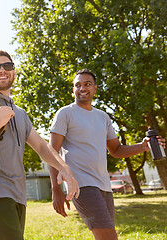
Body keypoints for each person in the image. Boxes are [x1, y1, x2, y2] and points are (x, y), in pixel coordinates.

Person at [0, 50, 80, 240]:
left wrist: (64, 168)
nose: (2, 70)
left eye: (7, 66)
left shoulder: (20, 113)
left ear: (14, 71)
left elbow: (41, 146)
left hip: (18, 196)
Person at [48, 69, 165, 240]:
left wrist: (143, 146)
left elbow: (116, 150)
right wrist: (56, 189)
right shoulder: (65, 113)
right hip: (80, 185)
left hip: (104, 186)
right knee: (108, 236)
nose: (82, 88)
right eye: (77, 85)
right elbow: (52, 152)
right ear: (73, 89)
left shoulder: (103, 117)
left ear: (95, 88)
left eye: (87, 84)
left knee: (106, 235)